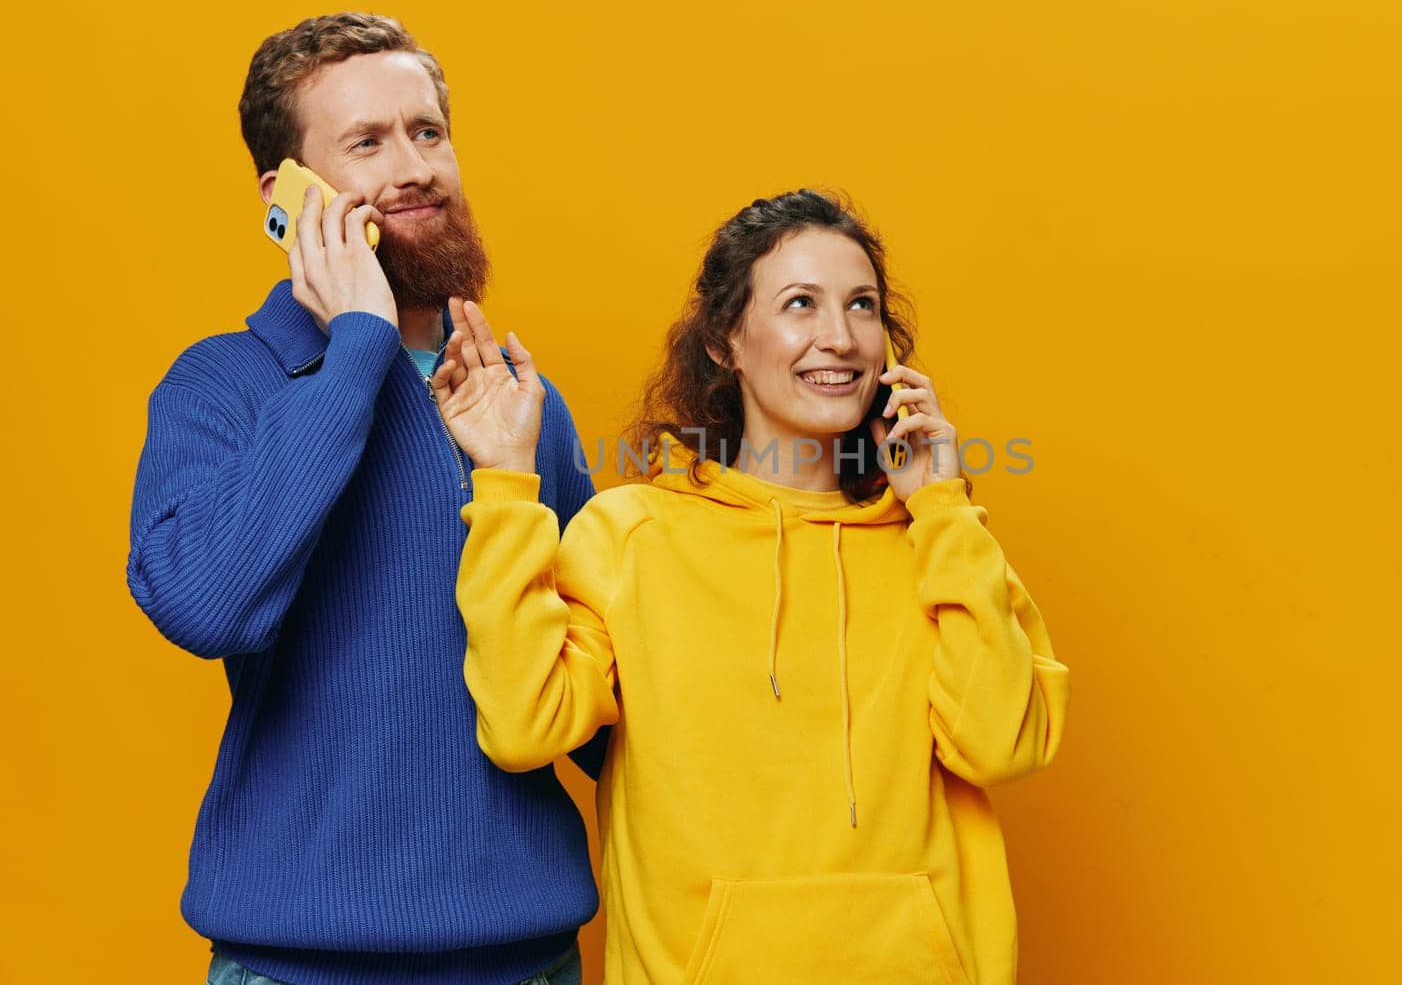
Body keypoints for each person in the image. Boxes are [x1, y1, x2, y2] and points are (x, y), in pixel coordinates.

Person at [434, 188, 1069, 983]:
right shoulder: (631, 535)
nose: (839, 338)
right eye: (800, 303)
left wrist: (942, 504)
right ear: (727, 341)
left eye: (862, 306)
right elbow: (524, 725)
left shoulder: (940, 543)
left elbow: (1002, 743)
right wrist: (503, 482)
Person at [126, 12, 597, 985]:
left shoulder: (516, 400)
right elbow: (206, 604)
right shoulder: (224, 384)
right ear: (288, 195)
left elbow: (594, 686)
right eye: (368, 143)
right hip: (300, 963)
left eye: (427, 132)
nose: (414, 164)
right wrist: (355, 352)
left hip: (529, 955)